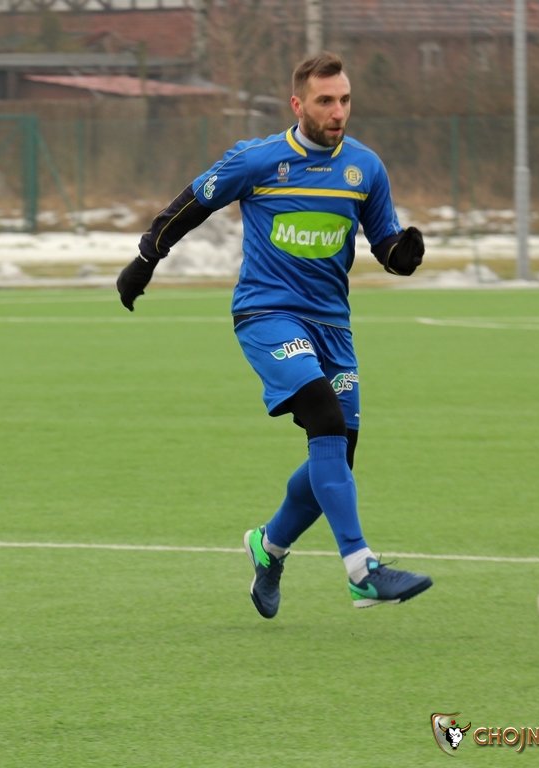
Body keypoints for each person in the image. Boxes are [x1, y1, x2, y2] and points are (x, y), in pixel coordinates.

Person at [115, 52, 432, 618]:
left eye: (345, 100)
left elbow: (383, 240)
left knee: (336, 455)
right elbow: (193, 202)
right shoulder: (259, 160)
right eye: (325, 101)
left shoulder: (365, 168)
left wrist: (399, 256)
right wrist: (145, 259)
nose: (338, 112)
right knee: (325, 418)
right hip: (268, 315)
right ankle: (361, 570)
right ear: (297, 105)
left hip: (333, 325)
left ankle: (270, 545)